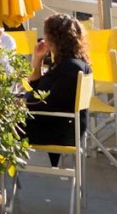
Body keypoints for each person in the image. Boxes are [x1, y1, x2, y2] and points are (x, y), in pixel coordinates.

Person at [25, 14, 92, 166]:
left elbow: (42, 103)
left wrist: (21, 103)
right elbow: (39, 93)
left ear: (53, 38)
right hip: (61, 126)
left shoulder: (69, 69)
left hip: (56, 131)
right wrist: (37, 62)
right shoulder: (70, 64)